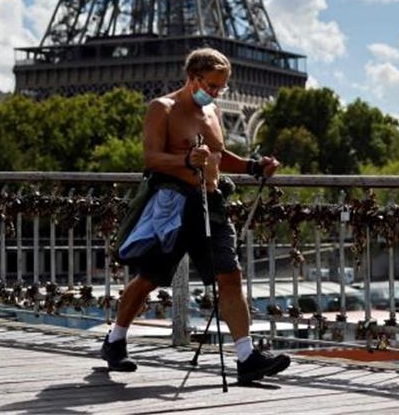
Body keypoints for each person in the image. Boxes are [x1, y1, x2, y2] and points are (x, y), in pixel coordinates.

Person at [100, 47, 291, 384]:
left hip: (211, 203)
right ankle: (115, 340)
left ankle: (246, 356)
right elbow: (151, 159)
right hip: (173, 206)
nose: (216, 93)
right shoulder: (163, 108)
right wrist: (186, 162)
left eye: (221, 88)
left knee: (229, 276)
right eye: (212, 86)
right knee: (149, 278)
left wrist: (252, 166)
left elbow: (217, 154)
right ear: (193, 77)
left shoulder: (213, 110)